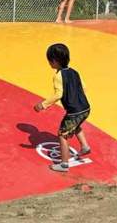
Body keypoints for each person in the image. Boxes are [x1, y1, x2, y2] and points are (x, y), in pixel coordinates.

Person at [33, 43, 91, 173]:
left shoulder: (58, 76)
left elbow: (58, 94)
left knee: (62, 134)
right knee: (75, 126)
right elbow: (84, 87)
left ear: (54, 61)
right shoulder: (75, 72)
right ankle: (85, 146)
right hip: (85, 108)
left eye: (49, 61)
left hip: (74, 112)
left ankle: (64, 164)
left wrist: (43, 105)